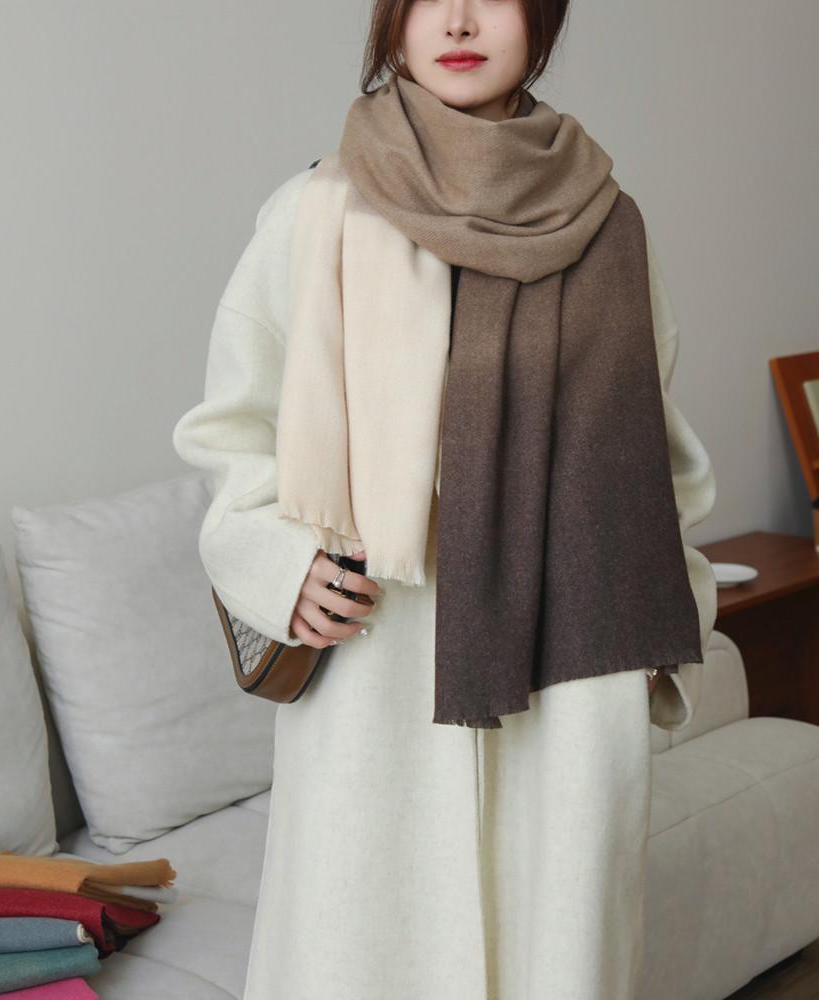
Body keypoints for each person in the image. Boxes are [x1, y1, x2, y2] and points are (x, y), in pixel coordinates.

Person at [172, 1, 718, 997]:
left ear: (541, 19)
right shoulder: (317, 211)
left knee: (557, 956)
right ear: (395, 21)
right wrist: (279, 567)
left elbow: (663, 459)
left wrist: (653, 638)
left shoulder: (610, 226)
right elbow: (229, 430)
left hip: (571, 681)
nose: (460, 19)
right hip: (380, 670)